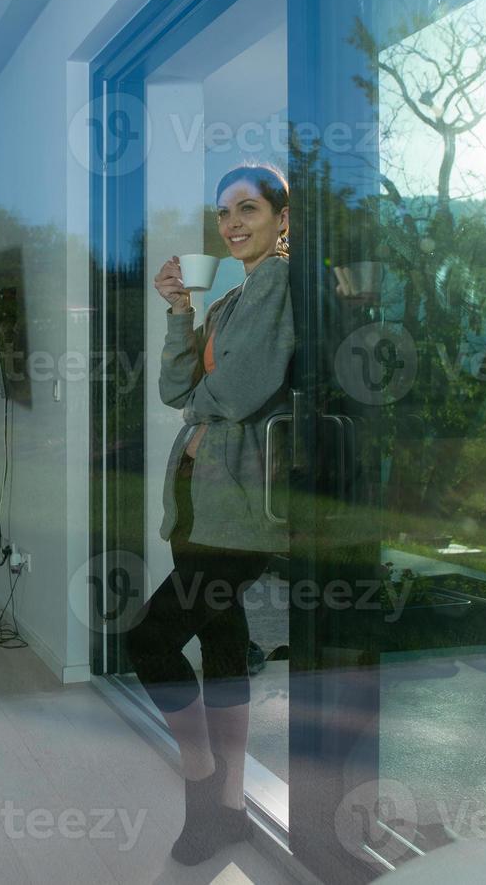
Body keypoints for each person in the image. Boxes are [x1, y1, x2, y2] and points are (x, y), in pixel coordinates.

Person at [130, 162, 296, 865]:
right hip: (198, 503)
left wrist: (201, 392)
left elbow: (235, 394)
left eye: (248, 209)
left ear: (281, 218)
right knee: (224, 653)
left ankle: (201, 785)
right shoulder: (232, 298)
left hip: (236, 515)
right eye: (223, 212)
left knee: (148, 641)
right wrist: (178, 311)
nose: (231, 224)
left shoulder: (282, 286)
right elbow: (178, 385)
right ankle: (230, 810)